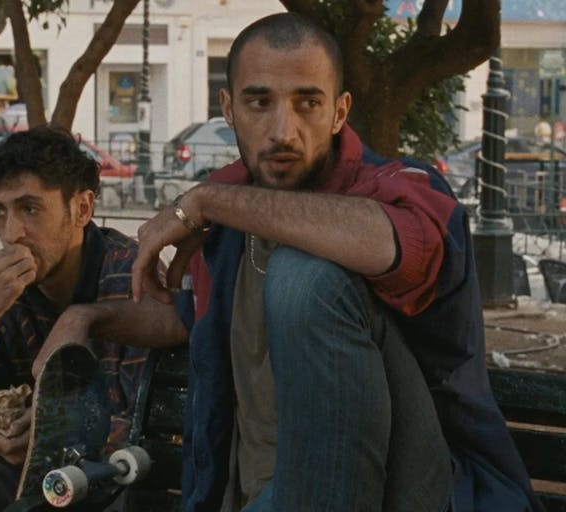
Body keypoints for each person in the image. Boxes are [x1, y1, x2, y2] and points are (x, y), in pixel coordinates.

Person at [131, 13, 541, 512]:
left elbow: (395, 246)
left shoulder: (400, 187)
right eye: (259, 102)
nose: (283, 130)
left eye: (308, 102)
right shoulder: (227, 210)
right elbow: (191, 322)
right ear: (228, 109)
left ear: (340, 112)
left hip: (421, 491)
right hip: (260, 489)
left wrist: (205, 202)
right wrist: (82, 319)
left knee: (305, 277)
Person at [0, 125, 186, 511]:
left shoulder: (130, 276)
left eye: (30, 209)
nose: (12, 234)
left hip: (110, 485)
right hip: (32, 482)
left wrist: (52, 436)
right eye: (0, 211)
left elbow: (144, 436)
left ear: (81, 208)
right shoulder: (3, 290)